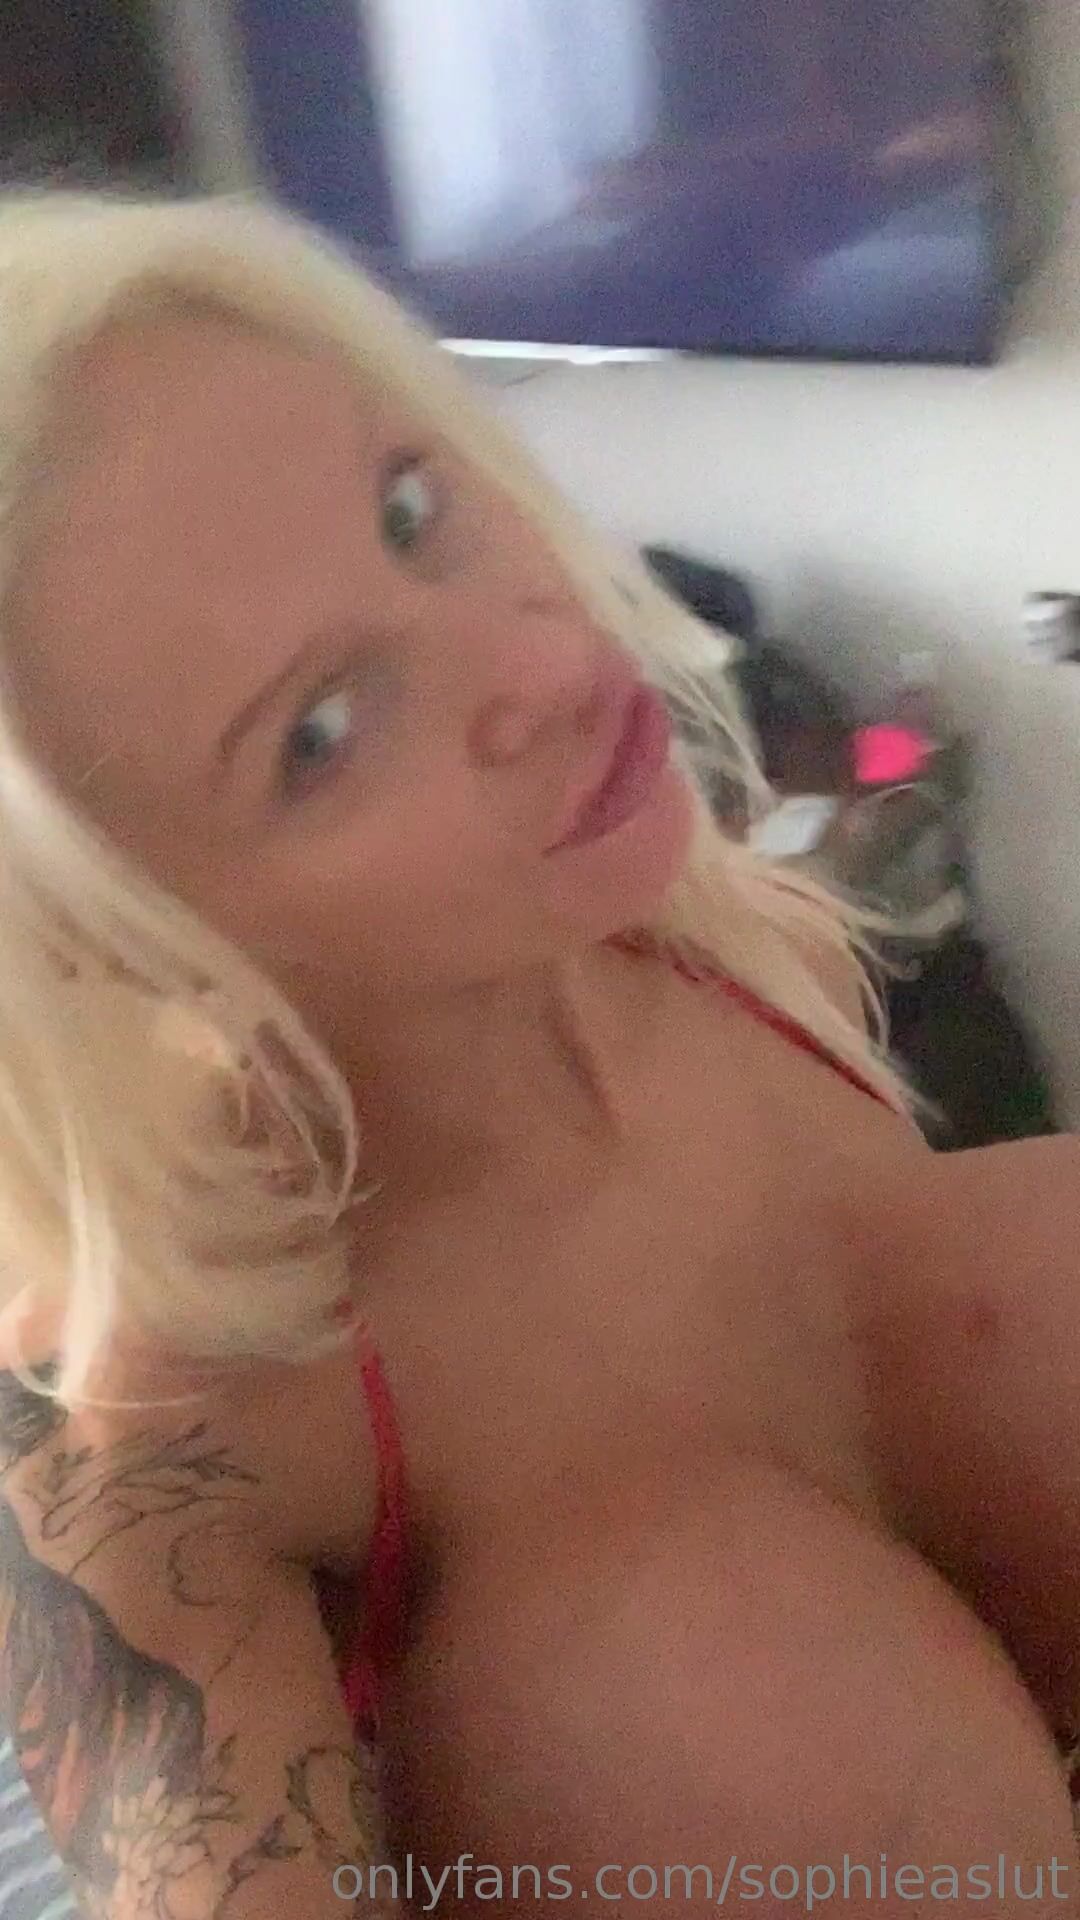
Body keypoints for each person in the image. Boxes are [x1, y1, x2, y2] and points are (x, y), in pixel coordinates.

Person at [0, 187, 1076, 1920]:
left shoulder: (762, 954)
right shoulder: (182, 1412)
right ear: (112, 947)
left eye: (411, 509)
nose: (545, 659)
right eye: (321, 733)